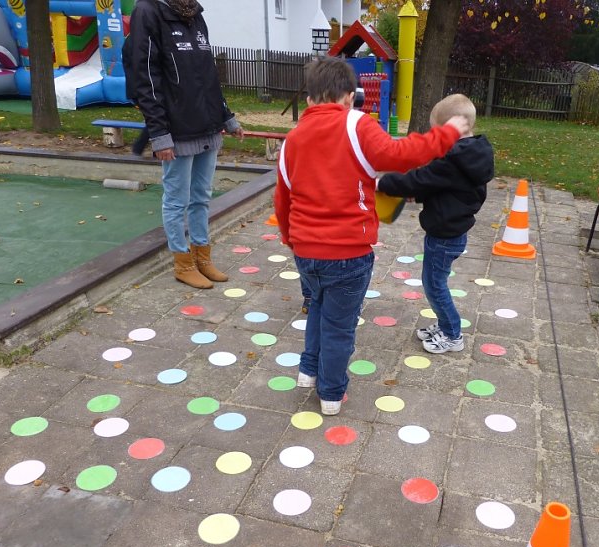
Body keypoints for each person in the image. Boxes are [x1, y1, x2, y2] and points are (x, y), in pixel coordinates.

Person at [274, 57, 470, 415]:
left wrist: (291, 239)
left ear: (309, 100)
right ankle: (331, 394)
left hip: (305, 251)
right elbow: (400, 154)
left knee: (317, 308)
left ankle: (308, 372)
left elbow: (282, 197)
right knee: (339, 326)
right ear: (350, 96)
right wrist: (448, 133)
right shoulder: (356, 124)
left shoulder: (292, 139)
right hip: (348, 252)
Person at [124, 0, 243, 289]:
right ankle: (183, 261)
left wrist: (226, 116)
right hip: (175, 129)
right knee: (178, 200)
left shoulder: (195, 15)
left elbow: (208, 75)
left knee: (202, 196)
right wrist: (159, 133)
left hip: (207, 124)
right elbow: (145, 79)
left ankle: (203, 256)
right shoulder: (148, 12)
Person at [378, 94, 495, 354]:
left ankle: (453, 334)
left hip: (444, 234)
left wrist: (382, 183)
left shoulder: (452, 161)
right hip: (450, 229)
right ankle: (445, 325)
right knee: (435, 281)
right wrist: (419, 194)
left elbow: (420, 179)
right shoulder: (470, 155)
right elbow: (442, 187)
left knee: (434, 285)